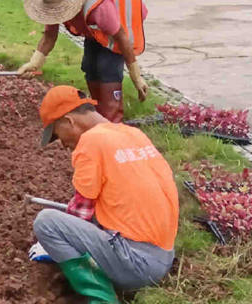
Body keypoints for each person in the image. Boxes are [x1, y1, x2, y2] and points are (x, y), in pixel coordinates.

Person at [31, 85, 178, 302]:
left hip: (137, 263)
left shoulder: (91, 142)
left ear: (68, 121)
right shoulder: (132, 134)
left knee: (46, 222)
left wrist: (52, 245)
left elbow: (80, 213)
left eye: (57, 134)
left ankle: (102, 299)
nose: (62, 144)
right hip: (164, 254)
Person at [17, 0, 148, 123]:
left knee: (106, 67)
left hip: (122, 16)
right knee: (90, 65)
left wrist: (136, 76)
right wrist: (34, 63)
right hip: (96, 27)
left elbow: (122, 37)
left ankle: (112, 122)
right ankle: (100, 114)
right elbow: (49, 36)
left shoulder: (99, 8)